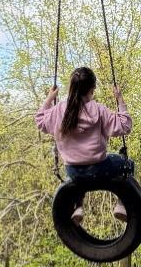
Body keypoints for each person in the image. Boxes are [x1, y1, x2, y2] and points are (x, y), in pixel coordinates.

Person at [36, 66, 132, 224]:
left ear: (71, 87)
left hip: (73, 172)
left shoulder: (60, 109)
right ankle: (121, 205)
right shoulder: (99, 110)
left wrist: (49, 98)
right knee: (127, 164)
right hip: (100, 169)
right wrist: (119, 98)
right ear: (93, 89)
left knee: (80, 177)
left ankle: (78, 206)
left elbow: (40, 121)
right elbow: (125, 126)